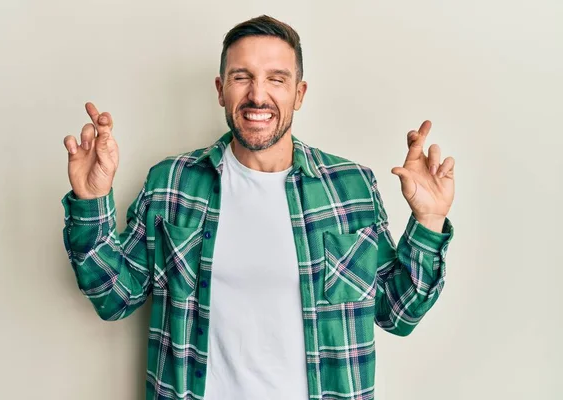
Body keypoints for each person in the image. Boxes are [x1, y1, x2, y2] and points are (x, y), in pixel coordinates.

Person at [62, 14, 455, 400]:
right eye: (241, 76)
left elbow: (397, 314)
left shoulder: (351, 187)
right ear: (220, 89)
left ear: (299, 94)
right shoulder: (172, 183)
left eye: (276, 79)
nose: (257, 95)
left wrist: (430, 221)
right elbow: (114, 299)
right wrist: (91, 200)